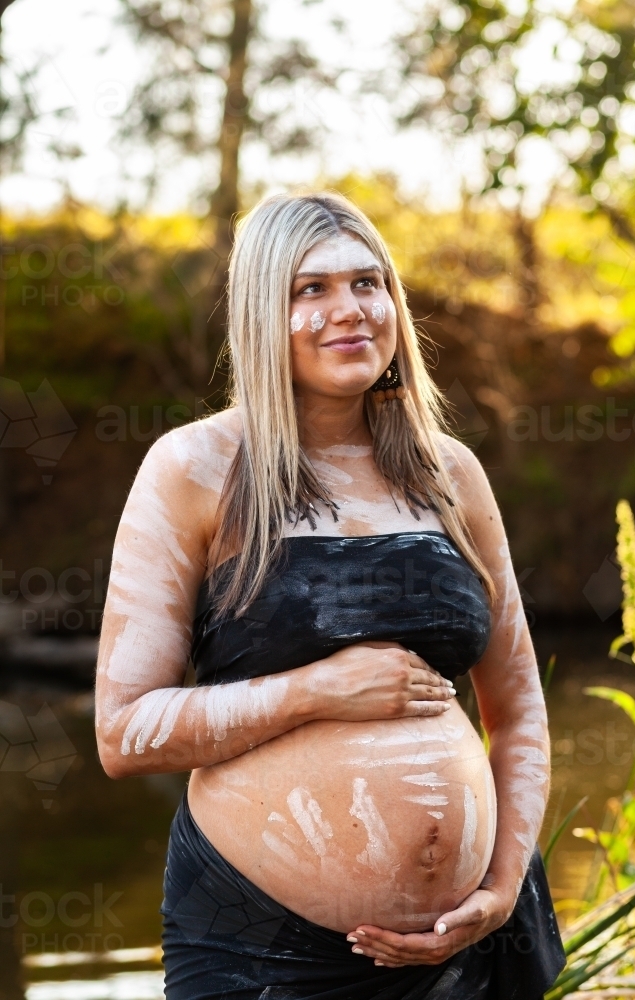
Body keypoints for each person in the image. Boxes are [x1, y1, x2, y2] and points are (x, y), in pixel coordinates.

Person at [95, 192, 565, 999]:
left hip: (470, 948)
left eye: (367, 283)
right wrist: (317, 692)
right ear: (260, 312)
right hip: (260, 951)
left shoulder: (448, 475)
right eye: (309, 290)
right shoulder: (198, 469)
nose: (348, 310)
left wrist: (497, 888)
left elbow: (517, 710)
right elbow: (123, 733)